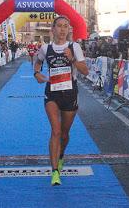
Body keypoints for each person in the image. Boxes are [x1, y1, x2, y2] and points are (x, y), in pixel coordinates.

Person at [34, 15, 88, 186]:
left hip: (70, 93)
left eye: (66, 26)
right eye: (59, 26)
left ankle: (61, 155)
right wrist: (37, 74)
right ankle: (55, 171)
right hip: (52, 93)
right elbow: (37, 61)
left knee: (64, 134)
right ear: (53, 29)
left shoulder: (75, 46)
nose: (63, 29)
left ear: (69, 29)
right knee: (55, 131)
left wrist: (72, 58)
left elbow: (85, 71)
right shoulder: (45, 48)